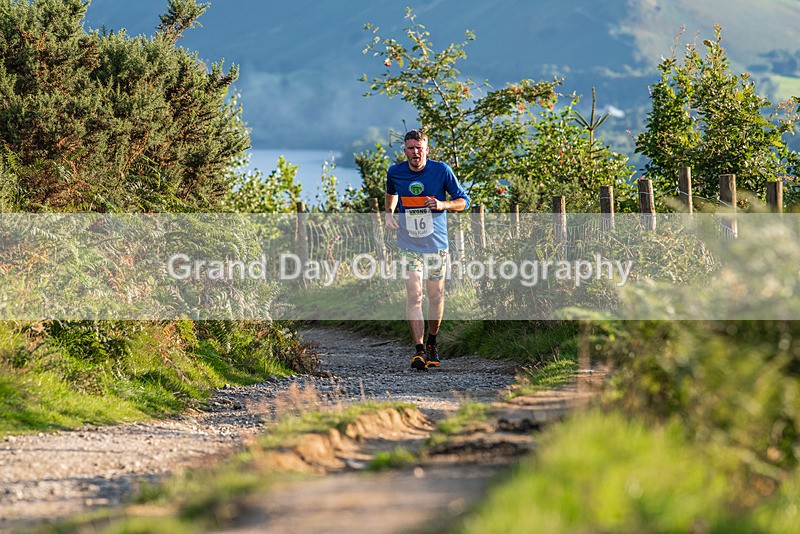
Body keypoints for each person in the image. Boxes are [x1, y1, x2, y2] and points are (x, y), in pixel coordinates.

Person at [384, 129, 470, 370]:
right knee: (415, 295)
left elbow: (464, 201)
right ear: (405, 151)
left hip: (435, 246)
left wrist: (443, 204)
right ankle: (419, 350)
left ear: (426, 149)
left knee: (435, 296)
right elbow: (391, 193)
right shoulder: (395, 172)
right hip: (409, 244)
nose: (415, 152)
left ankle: (432, 342)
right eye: (411, 148)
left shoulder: (441, 170)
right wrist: (388, 214)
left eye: (419, 148)